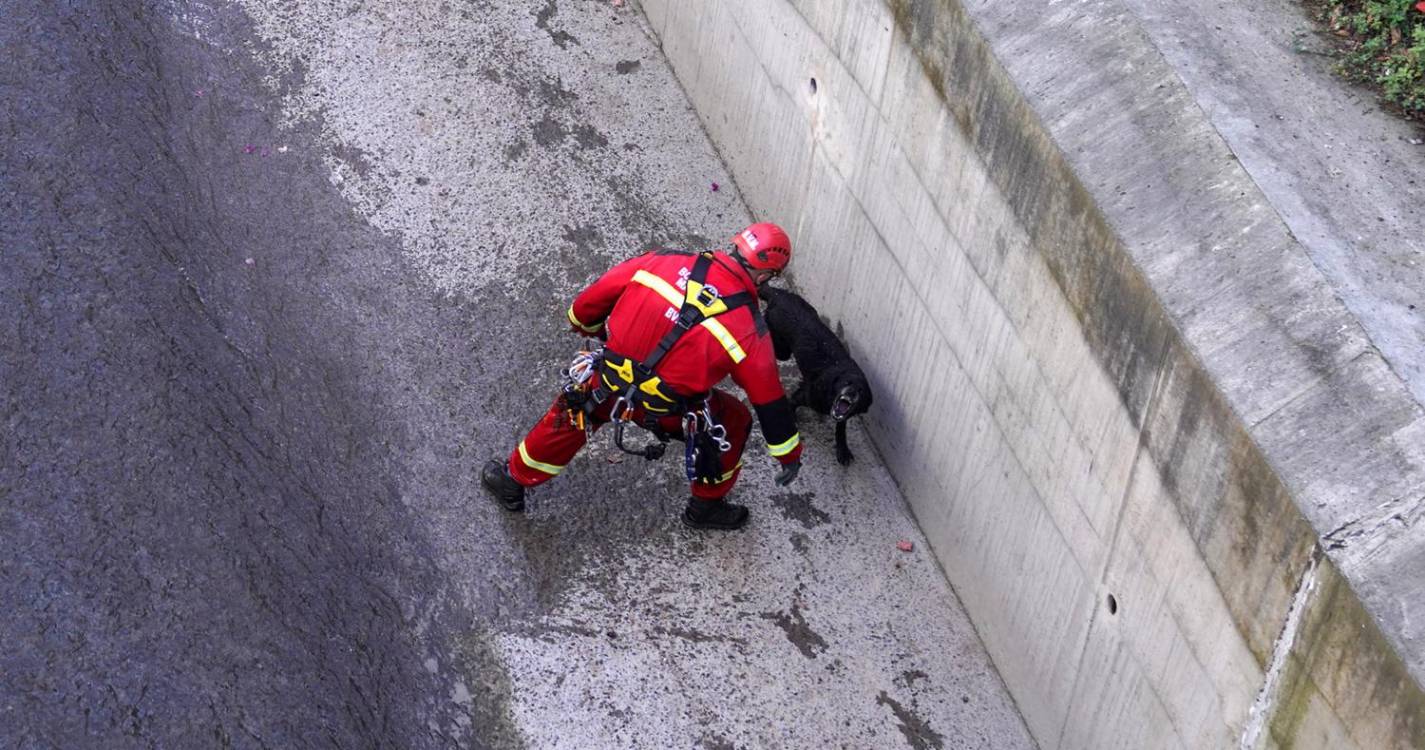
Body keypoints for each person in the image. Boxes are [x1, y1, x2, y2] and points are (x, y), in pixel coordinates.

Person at [481, 222, 804, 530]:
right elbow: (770, 402)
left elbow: (583, 310)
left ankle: (512, 479)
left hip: (607, 386)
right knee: (733, 420)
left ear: (736, 246)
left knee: (573, 411)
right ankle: (706, 507)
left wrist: (594, 331)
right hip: (668, 412)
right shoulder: (749, 330)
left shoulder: (662, 261)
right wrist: (788, 456)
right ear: (765, 275)